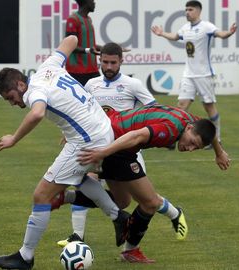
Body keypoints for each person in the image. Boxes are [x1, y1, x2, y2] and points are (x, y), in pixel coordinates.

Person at [0, 35, 130, 270]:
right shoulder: (48, 66)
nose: (13, 103)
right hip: (102, 128)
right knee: (80, 178)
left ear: (20, 85)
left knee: (41, 195)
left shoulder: (34, 91)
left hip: (88, 140)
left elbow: (36, 114)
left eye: (11, 98)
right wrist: (86, 48)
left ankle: (25, 257)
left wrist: (13, 138)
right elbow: (72, 39)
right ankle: (119, 217)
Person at [53, 104, 231, 263]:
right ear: (189, 128)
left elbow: (210, 131)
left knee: (121, 201)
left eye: (196, 148)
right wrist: (103, 153)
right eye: (191, 142)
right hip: (117, 144)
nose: (189, 148)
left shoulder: (191, 122)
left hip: (108, 132)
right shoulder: (170, 130)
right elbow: (136, 135)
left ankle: (65, 196)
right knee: (150, 202)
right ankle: (130, 251)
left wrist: (219, 152)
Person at [57, 43, 187, 249]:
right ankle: (77, 236)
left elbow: (153, 109)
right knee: (87, 181)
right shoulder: (91, 84)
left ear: (121, 62)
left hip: (127, 148)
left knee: (136, 199)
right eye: (105, 62)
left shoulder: (132, 84)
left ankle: (173, 212)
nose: (108, 66)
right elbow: (83, 111)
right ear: (100, 61)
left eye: (113, 63)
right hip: (98, 143)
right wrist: (71, 134)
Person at [151, 0, 237, 147]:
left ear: (198, 11)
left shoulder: (206, 26)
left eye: (190, 9)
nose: (187, 12)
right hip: (188, 74)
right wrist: (162, 33)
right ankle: (173, 138)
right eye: (186, 10)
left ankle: (217, 139)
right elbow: (176, 36)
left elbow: (220, 34)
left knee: (209, 107)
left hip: (203, 74)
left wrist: (228, 32)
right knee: (181, 106)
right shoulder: (185, 28)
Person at [65, 0, 101, 86]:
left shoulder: (88, 19)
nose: (94, 3)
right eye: (92, 1)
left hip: (92, 69)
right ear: (86, 2)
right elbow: (70, 45)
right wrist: (88, 50)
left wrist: (111, 48)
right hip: (77, 72)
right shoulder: (73, 19)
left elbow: (90, 45)